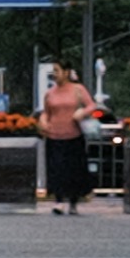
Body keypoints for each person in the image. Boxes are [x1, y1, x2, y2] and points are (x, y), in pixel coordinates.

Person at [39, 60, 97, 214]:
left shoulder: (78, 89)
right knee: (57, 169)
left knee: (74, 170)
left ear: (66, 72)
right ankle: (58, 201)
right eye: (53, 70)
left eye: (57, 70)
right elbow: (46, 112)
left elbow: (92, 105)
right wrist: (43, 121)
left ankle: (73, 202)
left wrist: (82, 112)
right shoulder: (50, 93)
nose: (54, 74)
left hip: (73, 136)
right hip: (54, 137)